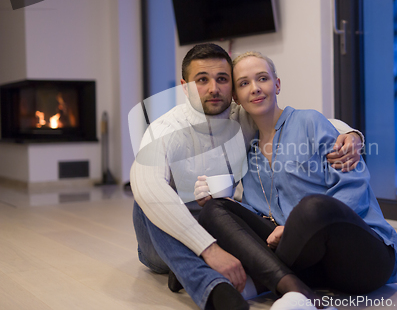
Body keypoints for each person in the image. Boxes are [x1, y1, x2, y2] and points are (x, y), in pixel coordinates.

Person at [130, 44, 365, 310]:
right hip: (165, 242)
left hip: (216, 227)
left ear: (232, 87)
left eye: (222, 79)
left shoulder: (242, 117)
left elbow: (305, 122)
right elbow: (147, 186)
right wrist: (208, 249)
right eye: (202, 80)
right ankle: (211, 286)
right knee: (149, 197)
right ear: (185, 87)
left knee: (226, 212)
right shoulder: (165, 128)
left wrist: (353, 136)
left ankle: (204, 271)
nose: (213, 88)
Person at [196, 51, 397, 309]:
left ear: (277, 84)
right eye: (244, 83)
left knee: (313, 207)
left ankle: (259, 282)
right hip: (310, 264)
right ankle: (298, 291)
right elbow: (257, 210)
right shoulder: (248, 151)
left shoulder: (309, 122)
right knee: (214, 209)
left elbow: (354, 185)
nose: (256, 89)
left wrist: (293, 228)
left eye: (263, 78)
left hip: (362, 257)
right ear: (236, 97)